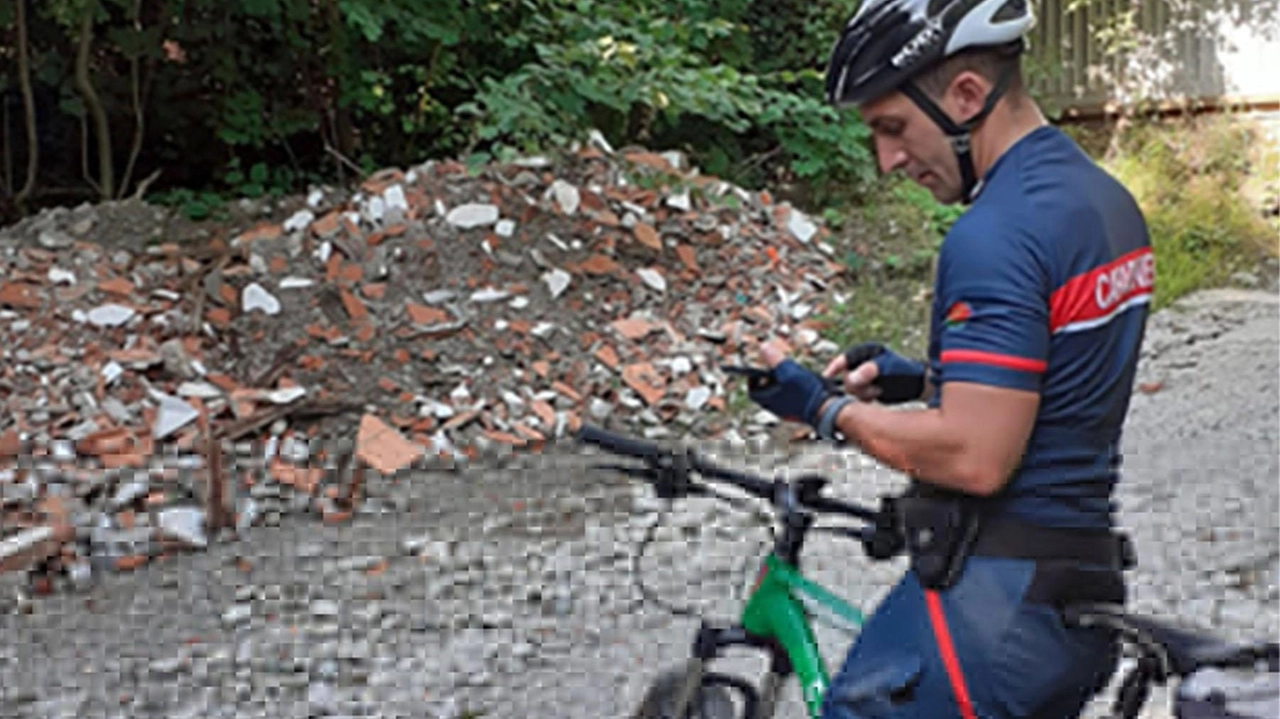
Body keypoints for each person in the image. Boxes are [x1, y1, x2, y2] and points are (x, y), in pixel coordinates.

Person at [743, 0, 1155, 716]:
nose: (887, 160)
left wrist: (823, 406)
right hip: (1076, 588)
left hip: (995, 606)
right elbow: (1064, 376)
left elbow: (974, 456)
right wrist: (921, 377)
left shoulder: (993, 233)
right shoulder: (1101, 200)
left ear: (966, 95)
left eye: (893, 128)